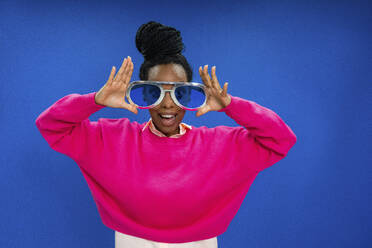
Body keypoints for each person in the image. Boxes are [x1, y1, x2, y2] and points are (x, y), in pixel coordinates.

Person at [35, 21, 297, 248]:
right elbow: (51, 125)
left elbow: (280, 139)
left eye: (179, 92)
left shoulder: (219, 145)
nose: (168, 104)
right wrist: (95, 100)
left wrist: (232, 105)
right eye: (156, 91)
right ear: (144, 94)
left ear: (189, 95)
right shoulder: (112, 140)